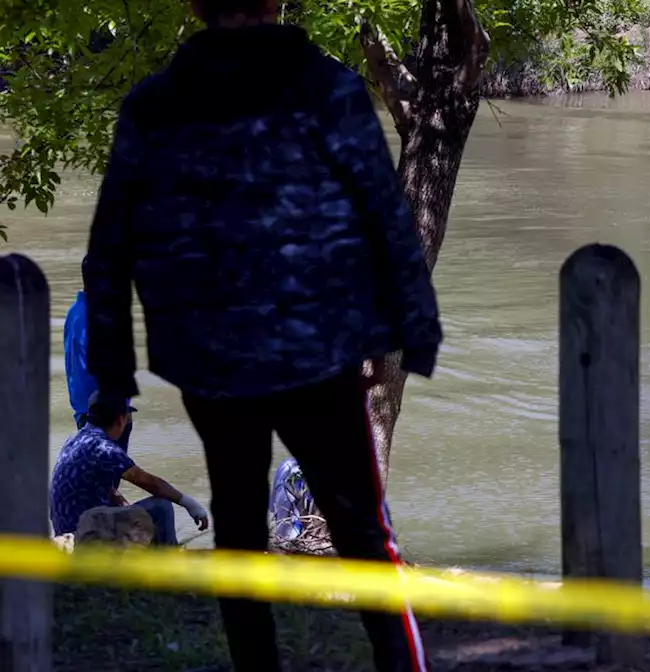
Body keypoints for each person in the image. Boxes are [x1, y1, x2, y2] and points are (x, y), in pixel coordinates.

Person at [80, 0, 441, 669]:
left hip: (210, 361)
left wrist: (113, 380)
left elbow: (108, 252)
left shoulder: (154, 106)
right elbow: (388, 219)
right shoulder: (330, 89)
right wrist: (412, 336)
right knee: (365, 533)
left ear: (195, 5)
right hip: (321, 354)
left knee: (240, 534)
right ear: (277, 2)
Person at [50, 392, 209, 545]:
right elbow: (151, 483)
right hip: (85, 537)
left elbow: (106, 487)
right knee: (161, 506)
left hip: (67, 531)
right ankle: (169, 561)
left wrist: (125, 506)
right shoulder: (104, 449)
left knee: (135, 513)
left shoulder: (75, 439)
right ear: (120, 420)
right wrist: (190, 504)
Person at [63, 289, 132, 450]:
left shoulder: (75, 312)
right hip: (105, 416)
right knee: (110, 469)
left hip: (88, 411)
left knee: (95, 469)